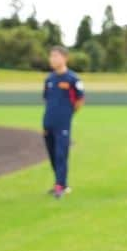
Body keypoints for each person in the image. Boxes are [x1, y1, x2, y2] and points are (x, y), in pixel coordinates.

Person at [42, 45, 85, 198]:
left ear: (64, 58)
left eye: (56, 56)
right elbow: (46, 99)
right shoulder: (49, 79)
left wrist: (68, 113)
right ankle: (61, 183)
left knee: (61, 154)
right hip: (48, 122)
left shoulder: (73, 79)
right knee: (53, 154)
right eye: (51, 56)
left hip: (63, 123)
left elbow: (80, 100)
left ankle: (60, 185)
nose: (53, 59)